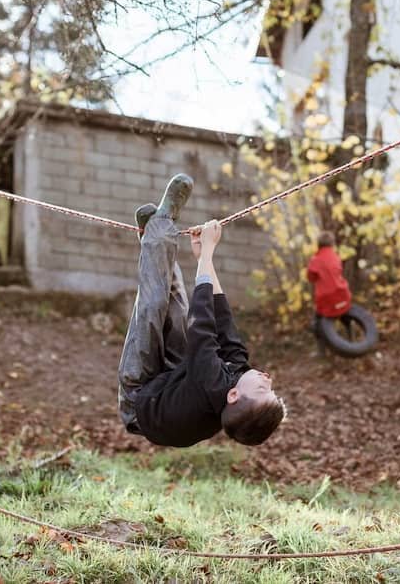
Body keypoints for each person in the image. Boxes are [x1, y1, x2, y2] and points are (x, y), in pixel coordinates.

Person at [117, 173, 285, 448]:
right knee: (176, 310)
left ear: (233, 396)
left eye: (262, 388)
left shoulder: (214, 384)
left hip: (140, 400)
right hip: (175, 383)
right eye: (271, 387)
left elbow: (203, 327)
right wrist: (202, 260)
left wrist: (208, 252)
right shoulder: (235, 375)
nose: (267, 378)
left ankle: (158, 231)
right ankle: (155, 239)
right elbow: (221, 319)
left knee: (152, 309)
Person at [306, 231, 353, 342]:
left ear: (318, 244)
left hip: (325, 297)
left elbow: (310, 278)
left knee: (318, 322)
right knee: (345, 316)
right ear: (332, 244)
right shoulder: (336, 257)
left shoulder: (315, 260)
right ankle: (352, 341)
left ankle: (321, 350)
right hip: (342, 293)